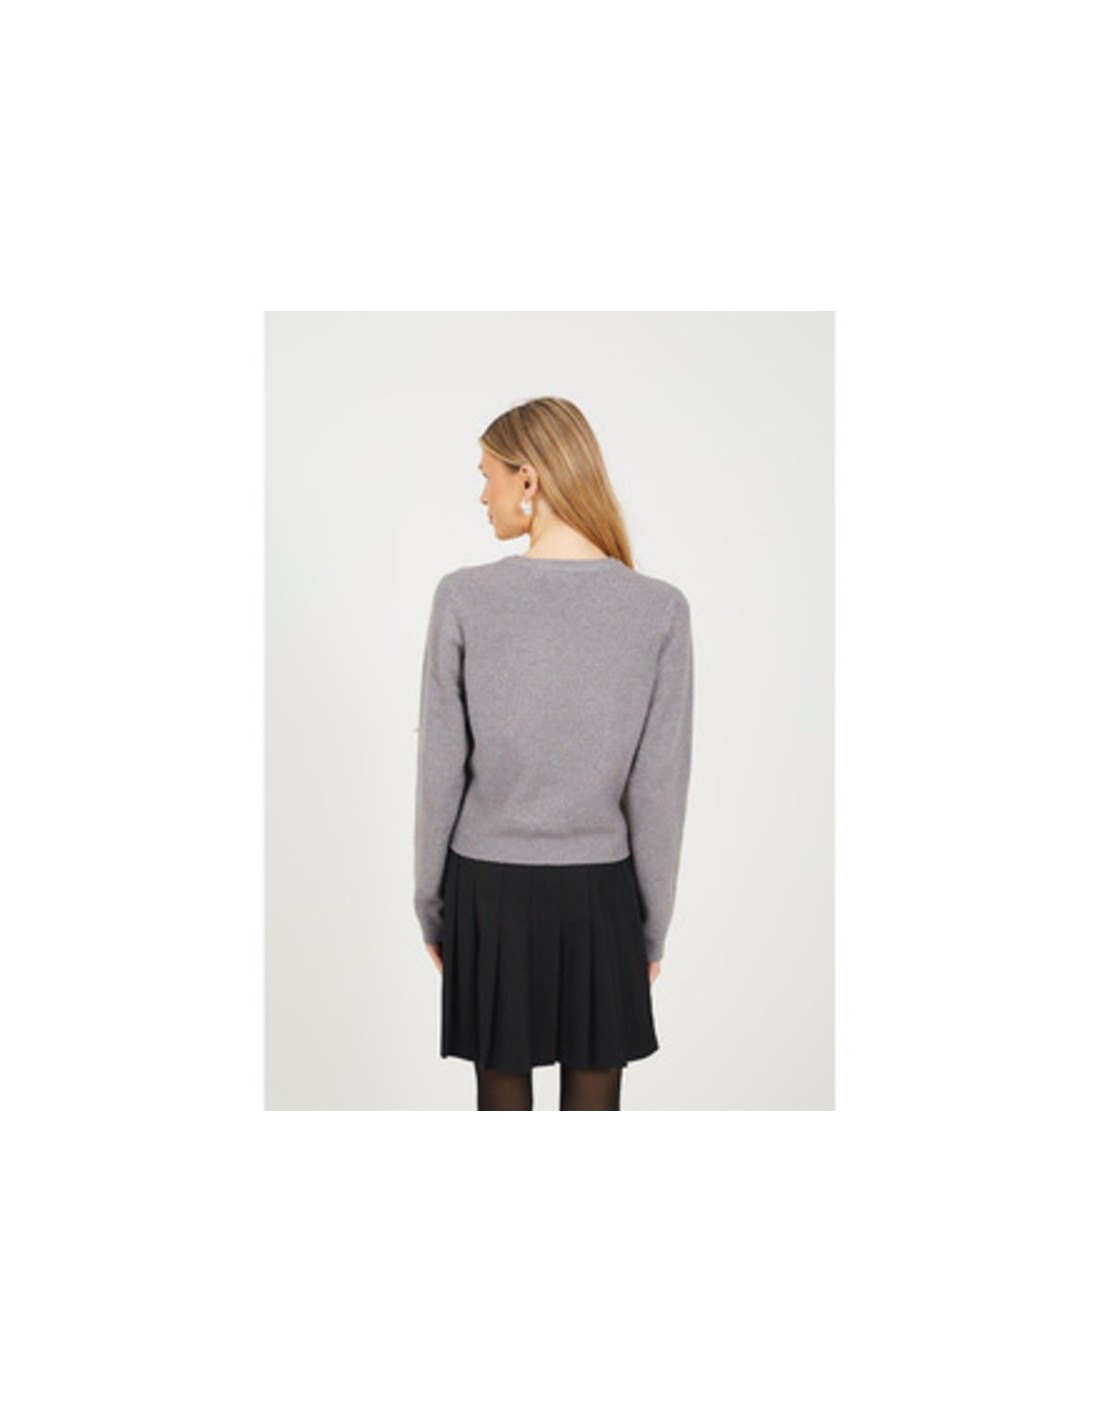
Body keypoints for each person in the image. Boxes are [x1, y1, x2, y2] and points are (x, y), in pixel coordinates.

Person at [413, 397, 693, 1110]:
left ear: (528, 480)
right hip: (601, 899)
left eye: (488, 475)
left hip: (489, 894)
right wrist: (650, 929)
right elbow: (658, 791)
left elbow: (439, 775)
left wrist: (433, 908)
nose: (483, 495)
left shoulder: (463, 598)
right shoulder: (659, 609)